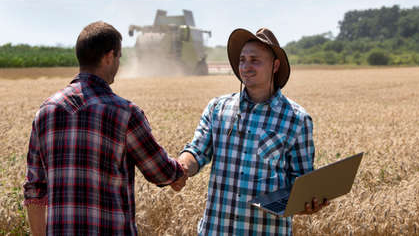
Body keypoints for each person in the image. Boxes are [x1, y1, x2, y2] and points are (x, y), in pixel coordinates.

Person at [23, 21, 187, 236]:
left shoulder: (45, 112)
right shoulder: (125, 112)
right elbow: (161, 172)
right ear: (109, 56)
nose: (119, 63)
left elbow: (34, 189)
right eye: (119, 57)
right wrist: (181, 170)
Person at [179, 28, 328, 235]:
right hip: (216, 230)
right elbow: (197, 151)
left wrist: (308, 203)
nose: (246, 67)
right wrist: (181, 167)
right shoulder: (218, 108)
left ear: (275, 65)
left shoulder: (297, 119)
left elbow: (301, 181)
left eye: (254, 60)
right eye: (242, 60)